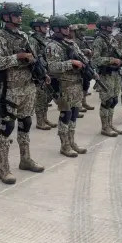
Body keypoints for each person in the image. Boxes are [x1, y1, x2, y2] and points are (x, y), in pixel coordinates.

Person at [0, 2, 45, 184]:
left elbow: (34, 58)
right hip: (10, 89)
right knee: (6, 128)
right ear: (6, 17)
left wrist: (42, 74)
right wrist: (18, 57)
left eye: (20, 14)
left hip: (28, 86)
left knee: (26, 122)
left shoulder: (24, 36)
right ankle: (4, 168)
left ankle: (25, 159)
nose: (20, 17)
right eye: (16, 14)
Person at [45, 15, 88, 157]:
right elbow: (52, 67)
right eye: (64, 27)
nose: (68, 30)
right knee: (66, 114)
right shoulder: (52, 46)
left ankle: (72, 142)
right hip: (63, 86)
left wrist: (86, 65)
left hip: (76, 84)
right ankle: (65, 145)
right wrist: (71, 63)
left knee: (75, 114)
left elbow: (83, 58)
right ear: (56, 29)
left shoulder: (71, 43)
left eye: (68, 27)